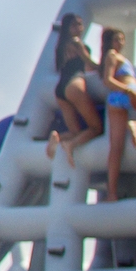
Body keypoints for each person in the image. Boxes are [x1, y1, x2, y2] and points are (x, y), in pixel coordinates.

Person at [99, 27, 136, 191]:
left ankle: (111, 192)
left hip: (114, 99)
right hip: (128, 90)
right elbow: (107, 80)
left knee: (116, 147)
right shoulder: (113, 55)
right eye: (117, 39)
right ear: (110, 41)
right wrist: (128, 90)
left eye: (122, 39)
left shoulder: (108, 57)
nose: (121, 42)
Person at [44, 14, 103, 164]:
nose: (79, 28)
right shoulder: (77, 43)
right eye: (75, 25)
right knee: (96, 128)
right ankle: (70, 144)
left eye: (80, 24)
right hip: (75, 84)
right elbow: (90, 64)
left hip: (60, 90)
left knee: (76, 132)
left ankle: (58, 136)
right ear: (68, 28)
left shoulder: (61, 47)